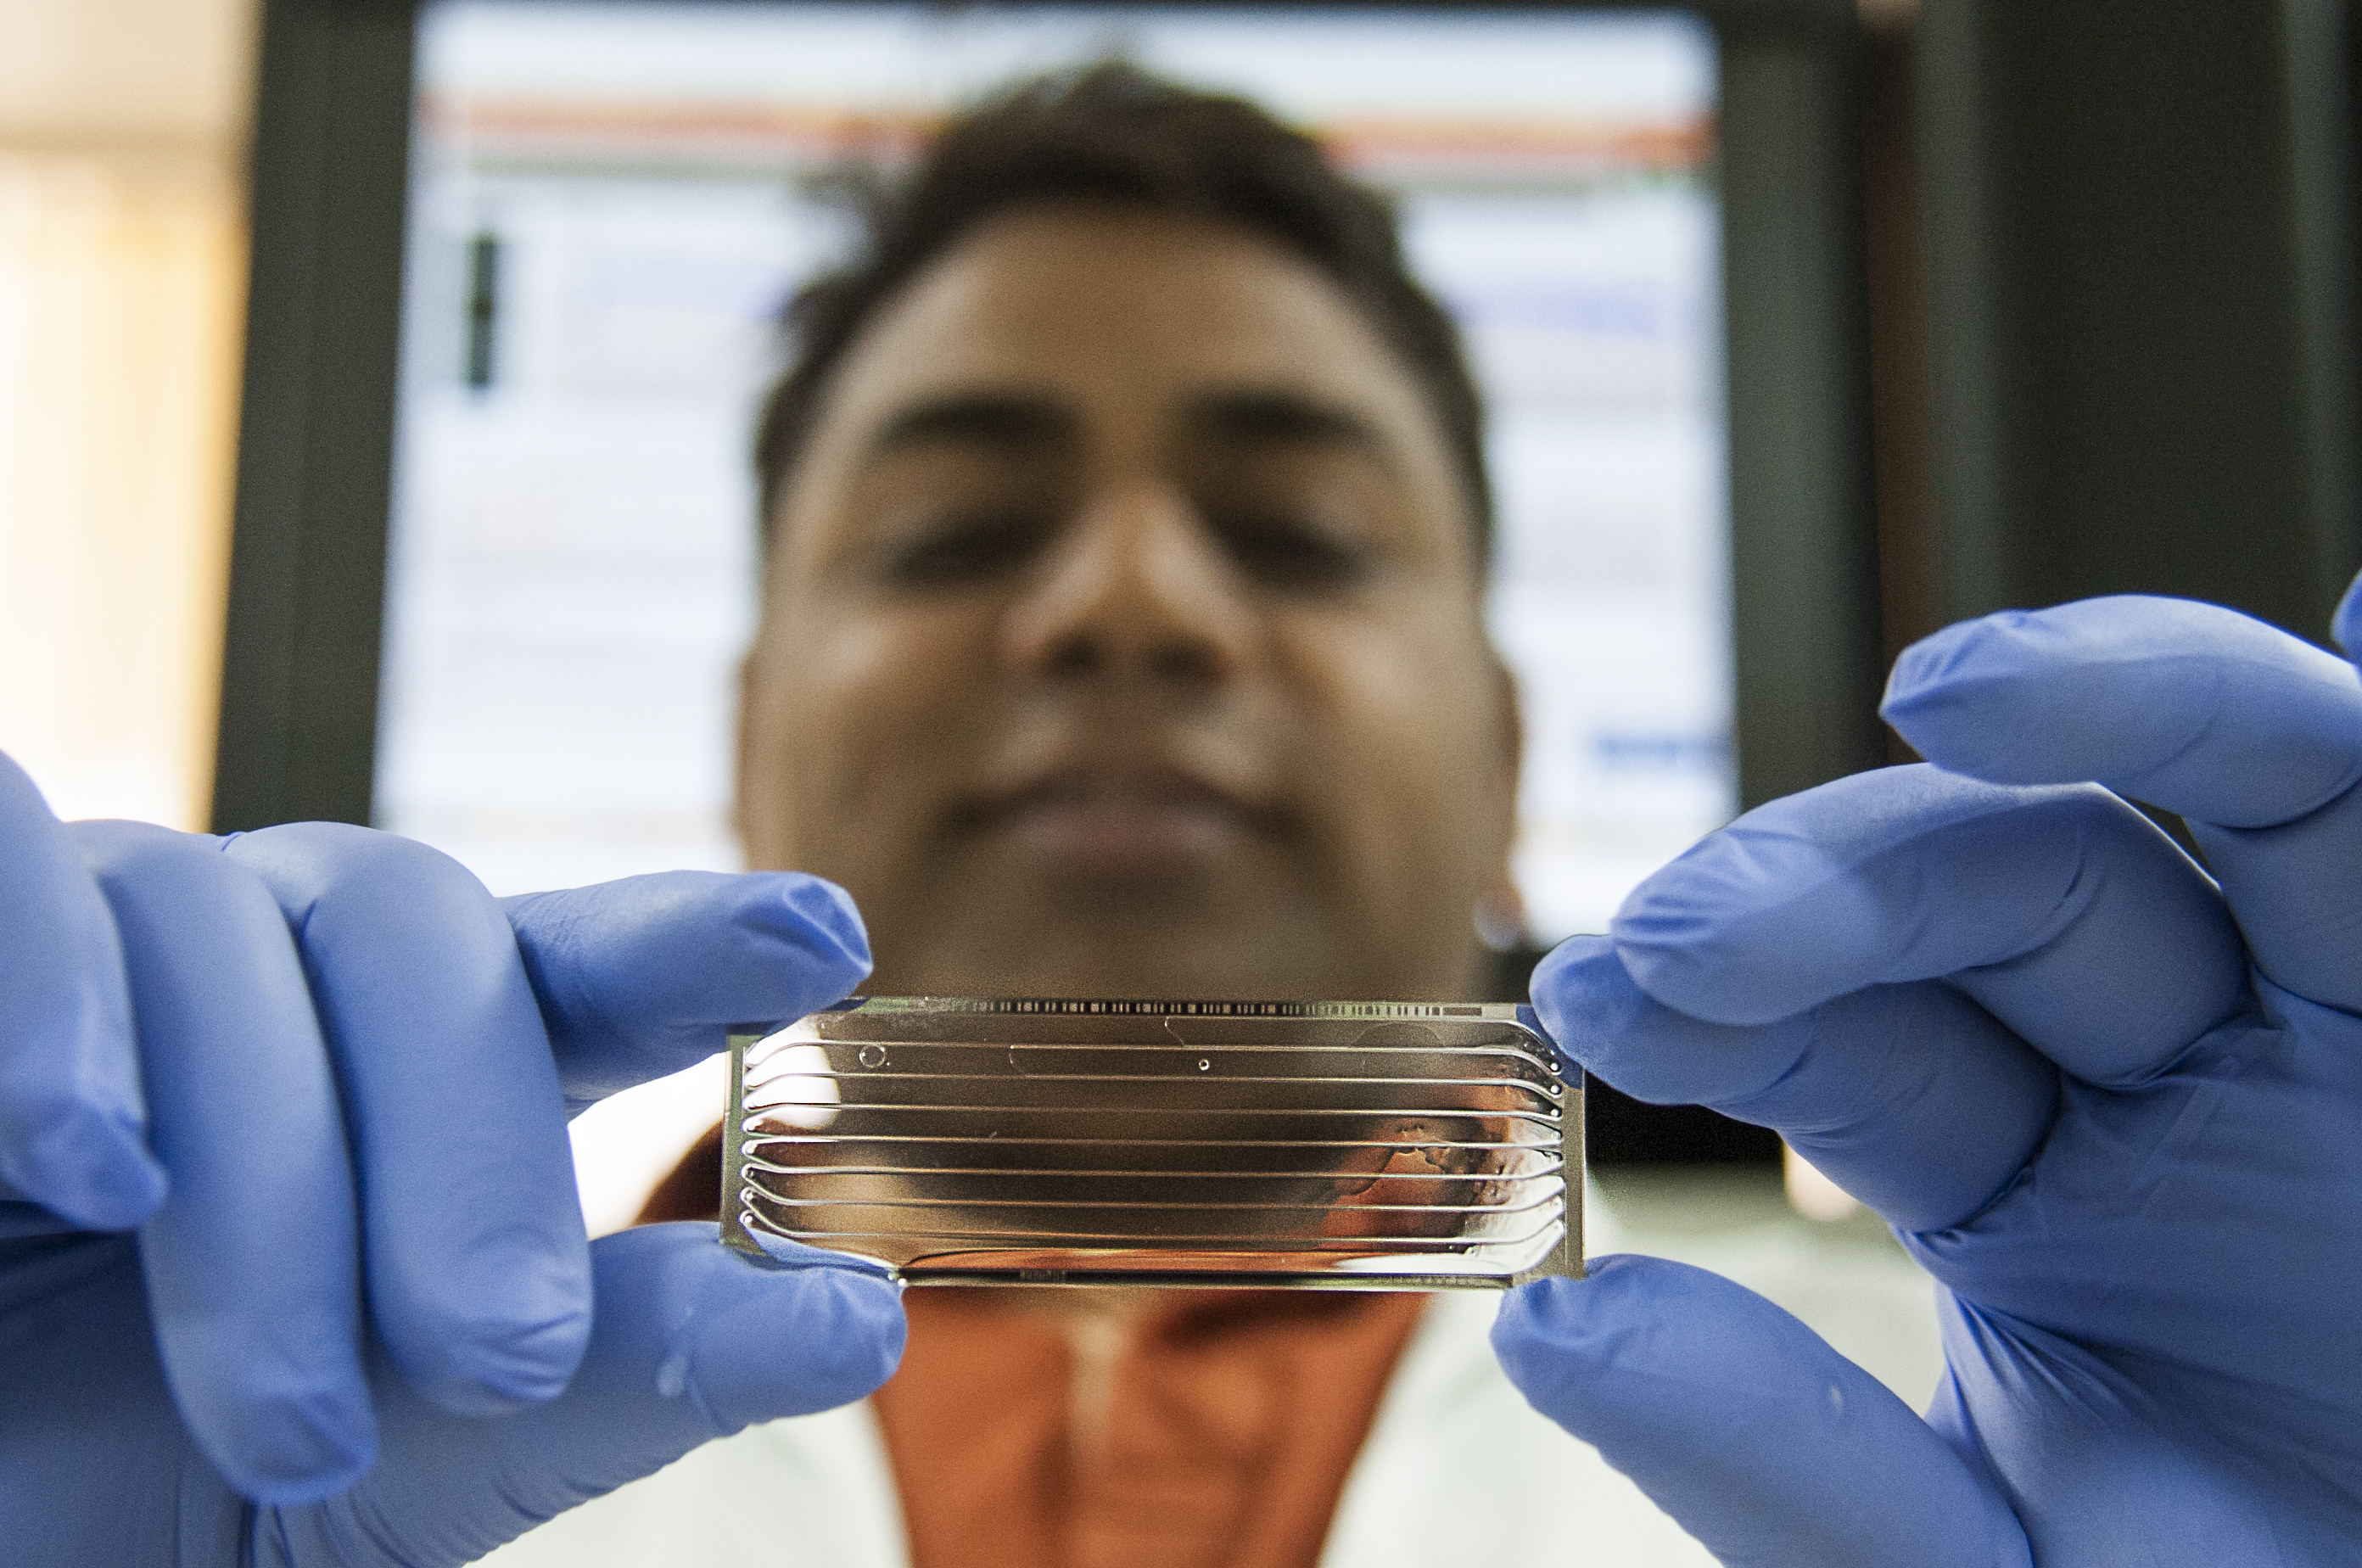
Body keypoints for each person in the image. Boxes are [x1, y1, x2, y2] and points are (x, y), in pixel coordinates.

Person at [3, 61, 2359, 1568]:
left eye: (1303, 533)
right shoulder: (236, 1413)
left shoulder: (2067, 1437)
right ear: (740, 737)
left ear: (1512, 762)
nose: (1131, 609)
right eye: (948, 536)